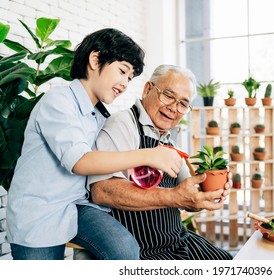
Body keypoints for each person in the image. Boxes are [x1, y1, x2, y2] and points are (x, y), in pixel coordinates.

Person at [6, 29, 184, 260]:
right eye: (122, 71)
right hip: (40, 213)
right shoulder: (58, 101)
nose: (125, 83)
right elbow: (81, 161)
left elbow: (107, 161)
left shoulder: (99, 114)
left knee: (125, 249)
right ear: (95, 59)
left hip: (77, 206)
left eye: (130, 78)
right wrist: (148, 155)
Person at [89, 64, 233, 260]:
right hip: (144, 251)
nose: (174, 108)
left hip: (179, 242)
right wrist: (173, 196)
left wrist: (209, 191)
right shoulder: (123, 124)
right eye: (168, 95)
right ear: (148, 89)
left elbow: (190, 198)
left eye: (183, 103)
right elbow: (102, 191)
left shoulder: (168, 140)